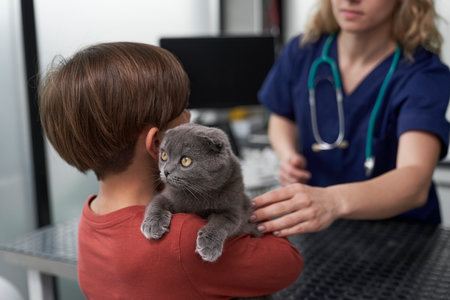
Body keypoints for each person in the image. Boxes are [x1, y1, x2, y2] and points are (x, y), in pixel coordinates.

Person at [38, 42, 302, 299]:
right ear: (157, 144)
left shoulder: (90, 218)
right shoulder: (185, 239)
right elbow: (288, 263)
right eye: (182, 111)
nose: (189, 117)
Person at [252, 0, 450, 237]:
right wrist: (288, 156)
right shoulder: (303, 50)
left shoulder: (423, 73)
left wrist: (333, 200)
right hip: (321, 228)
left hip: (401, 235)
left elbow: (415, 181)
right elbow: (282, 116)